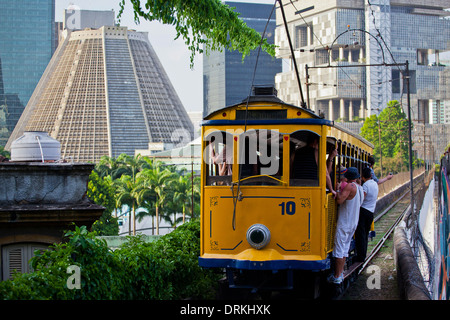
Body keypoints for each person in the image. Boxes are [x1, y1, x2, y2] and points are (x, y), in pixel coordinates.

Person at [328, 167, 364, 284]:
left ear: (347, 177)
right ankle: (340, 273)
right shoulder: (359, 188)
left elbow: (339, 200)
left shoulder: (350, 186)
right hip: (353, 222)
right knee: (344, 250)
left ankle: (337, 276)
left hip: (345, 223)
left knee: (339, 249)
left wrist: (337, 189)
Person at [354, 167, 379, 262]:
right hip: (371, 212)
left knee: (360, 234)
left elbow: (362, 198)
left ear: (363, 177)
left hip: (363, 211)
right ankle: (363, 255)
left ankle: (360, 256)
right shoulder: (375, 184)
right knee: (365, 234)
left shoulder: (366, 185)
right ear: (371, 175)